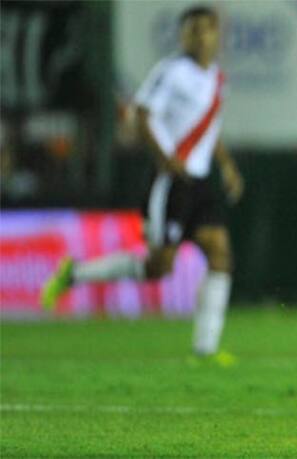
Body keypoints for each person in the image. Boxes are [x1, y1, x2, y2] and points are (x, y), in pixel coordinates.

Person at [41, 5, 243, 365]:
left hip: (199, 181)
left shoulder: (216, 78)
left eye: (206, 29)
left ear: (217, 35)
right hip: (171, 182)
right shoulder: (171, 72)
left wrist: (226, 166)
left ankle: (205, 350)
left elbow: (210, 131)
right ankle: (76, 273)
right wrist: (165, 157)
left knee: (221, 253)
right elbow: (143, 113)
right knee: (158, 268)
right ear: (182, 35)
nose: (200, 36)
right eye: (192, 30)